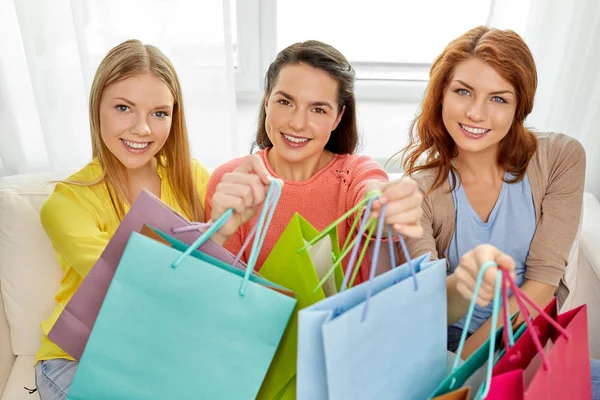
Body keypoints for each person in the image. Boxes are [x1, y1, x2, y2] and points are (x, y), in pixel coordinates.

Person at [33, 39, 270, 400]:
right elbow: (136, 280)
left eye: (159, 113)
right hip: (78, 357)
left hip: (160, 353)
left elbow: (224, 282)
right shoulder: (67, 202)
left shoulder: (192, 179)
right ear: (98, 108)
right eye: (124, 108)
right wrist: (216, 237)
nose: (142, 128)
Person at [397, 25, 599, 398]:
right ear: (440, 94)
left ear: (519, 106)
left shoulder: (559, 158)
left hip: (528, 340)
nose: (476, 113)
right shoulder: (419, 190)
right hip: (449, 348)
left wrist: (460, 379)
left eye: (499, 99)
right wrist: (455, 377)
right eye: (463, 92)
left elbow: (542, 284)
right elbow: (429, 312)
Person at [206, 40, 425, 284]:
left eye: (318, 110)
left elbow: (370, 194)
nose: (297, 123)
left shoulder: (356, 174)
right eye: (285, 102)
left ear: (338, 118)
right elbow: (215, 287)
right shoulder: (232, 180)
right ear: (267, 101)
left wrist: (382, 208)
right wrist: (217, 232)